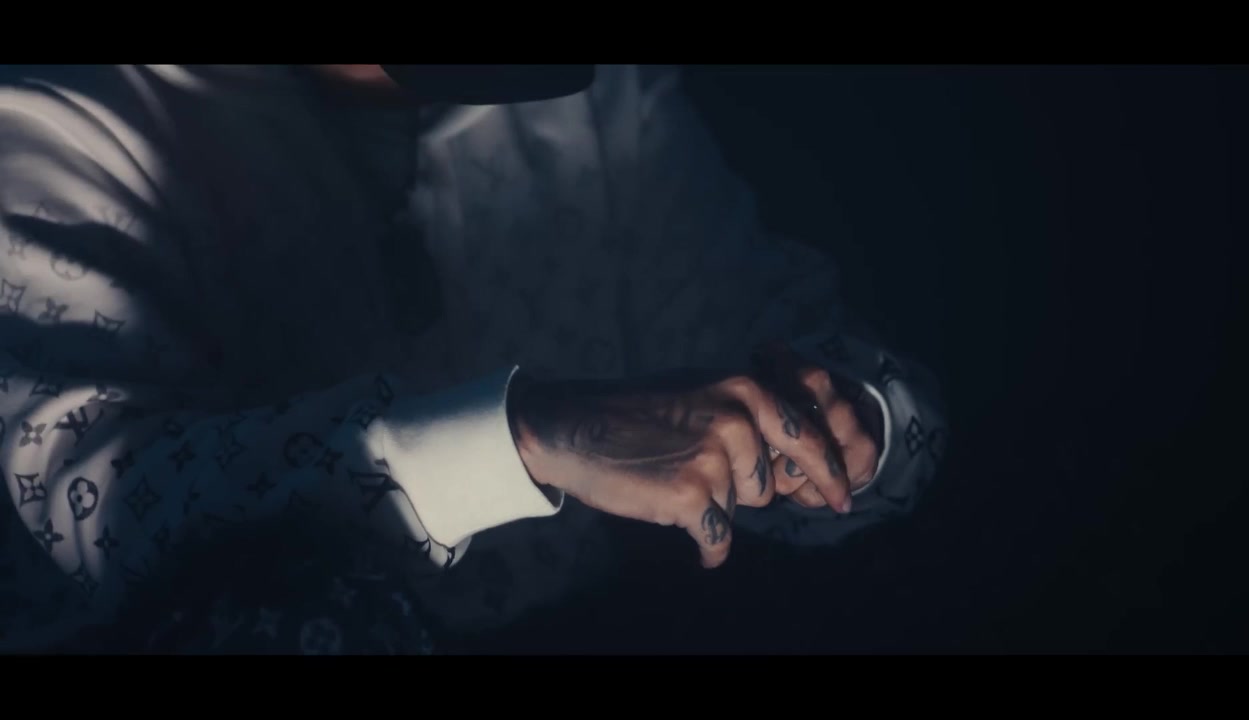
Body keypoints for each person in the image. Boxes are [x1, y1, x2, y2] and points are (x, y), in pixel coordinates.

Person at [0, 64, 947, 653]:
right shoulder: (65, 121)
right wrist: (524, 440)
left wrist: (841, 421)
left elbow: (825, 364)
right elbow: (93, 519)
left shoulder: (595, 98)